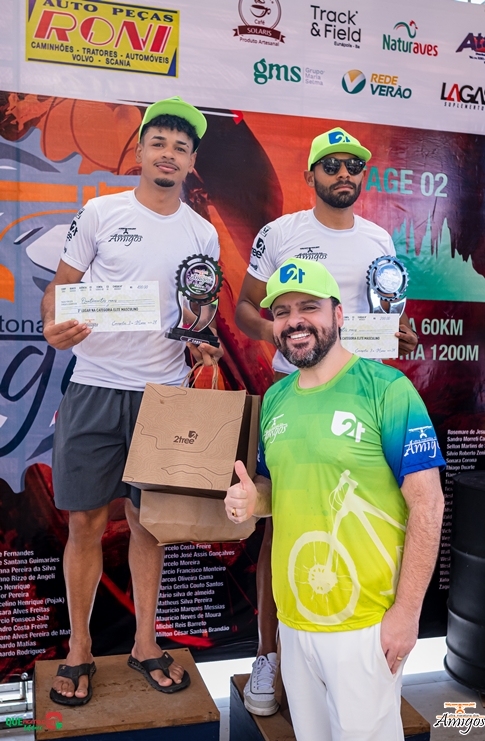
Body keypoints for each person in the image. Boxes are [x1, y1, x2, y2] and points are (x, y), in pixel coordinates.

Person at [41, 97, 223, 705]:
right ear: (140, 150)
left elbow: (199, 314)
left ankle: (146, 644)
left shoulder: (202, 233)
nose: (168, 154)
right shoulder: (99, 212)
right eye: (159, 143)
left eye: (181, 147)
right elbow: (61, 290)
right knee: (85, 523)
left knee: (150, 525)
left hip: (163, 396)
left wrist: (202, 345)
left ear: (191, 161)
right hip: (94, 384)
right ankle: (79, 649)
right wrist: (52, 325)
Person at [235, 126, 418, 716]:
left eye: (353, 166)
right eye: (331, 165)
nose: (344, 174)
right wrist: (287, 336)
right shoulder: (280, 232)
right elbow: (244, 308)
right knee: (280, 524)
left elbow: (388, 311)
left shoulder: (378, 237)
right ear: (311, 174)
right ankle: (270, 655)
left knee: (377, 517)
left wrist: (397, 332)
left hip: (364, 396)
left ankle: (376, 645)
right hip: (295, 395)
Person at [226, 258, 445, 741]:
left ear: (339, 314)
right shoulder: (276, 399)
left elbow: (428, 505)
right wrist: (251, 499)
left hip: (366, 625)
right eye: (282, 312)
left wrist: (407, 614)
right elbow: (273, 491)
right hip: (294, 623)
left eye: (309, 307)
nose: (294, 321)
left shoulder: (388, 390)